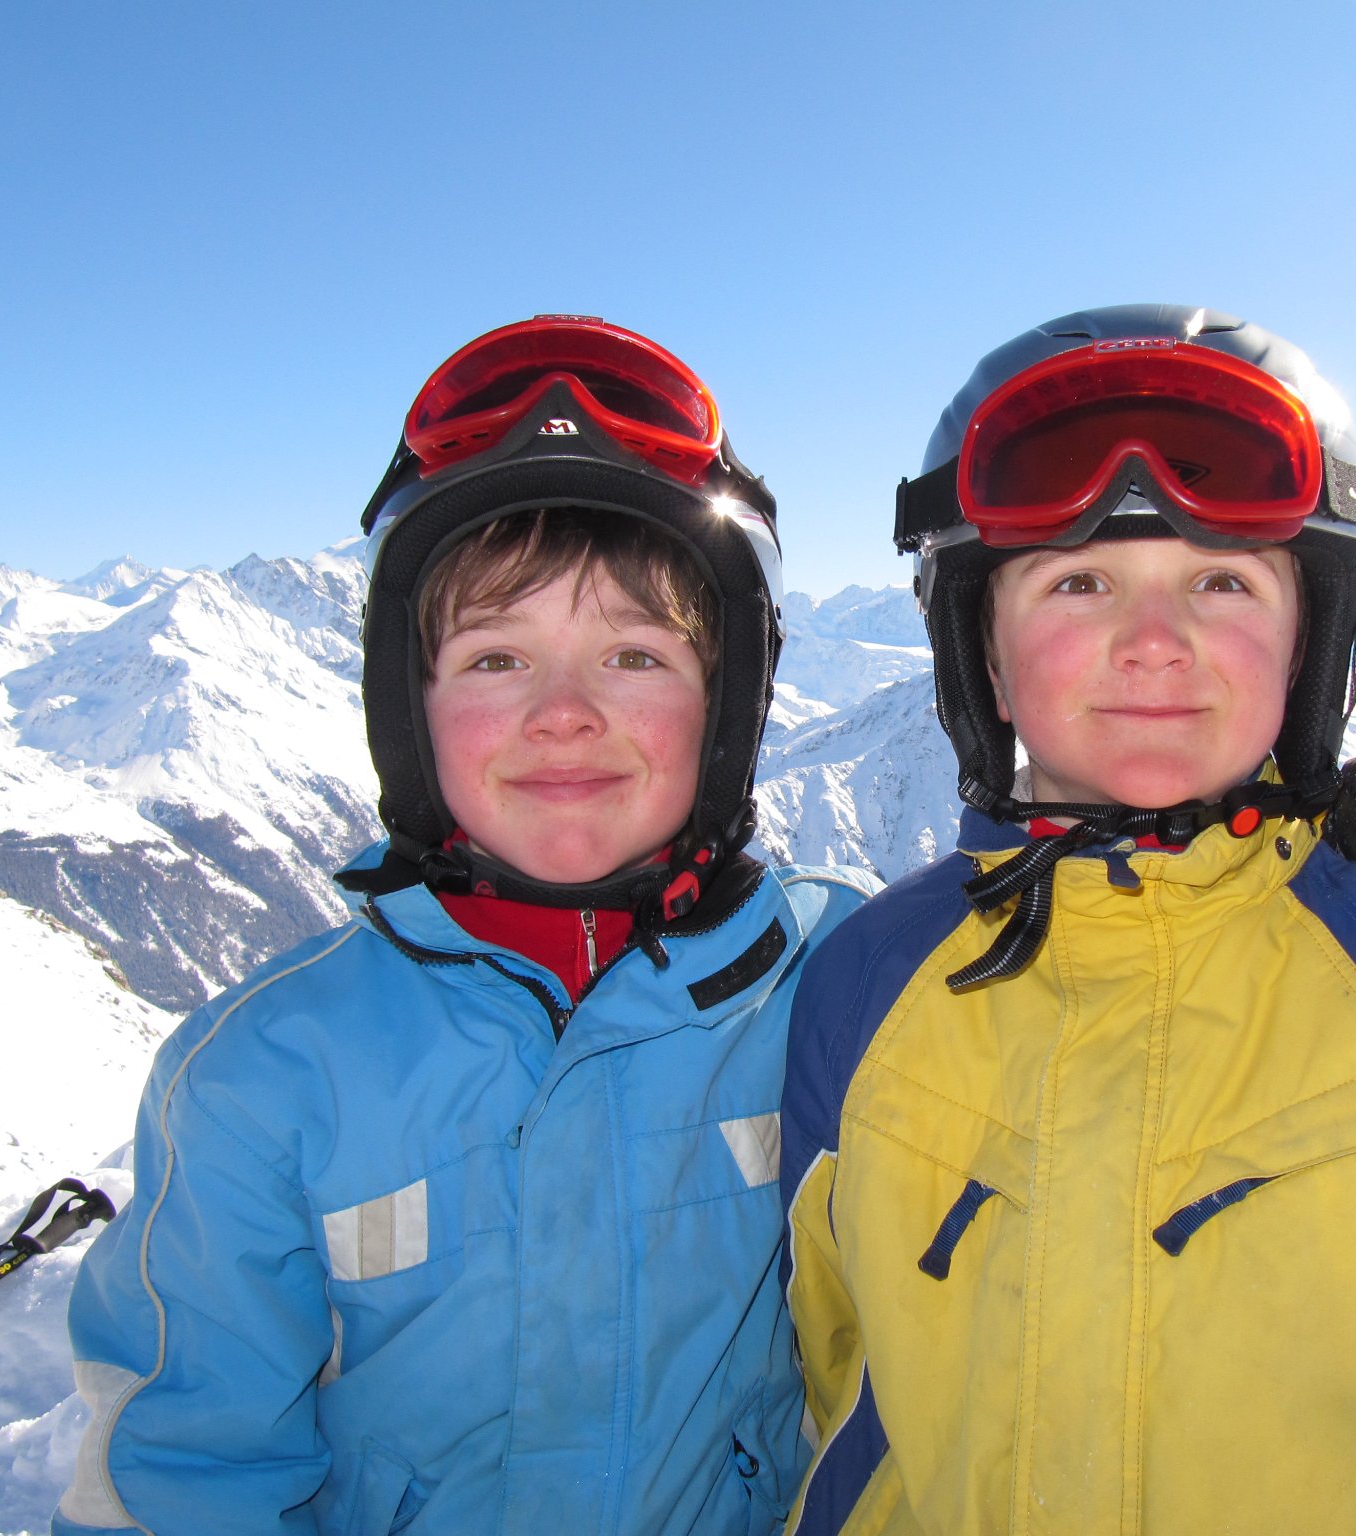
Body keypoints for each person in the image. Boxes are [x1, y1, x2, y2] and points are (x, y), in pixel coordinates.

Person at [780, 305, 1356, 1534]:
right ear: (980, 651)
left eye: (1221, 581)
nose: (1154, 643)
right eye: (1078, 581)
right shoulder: (865, 985)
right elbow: (831, 1394)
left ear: (1309, 644)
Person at [56, 317, 873, 1535]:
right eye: (495, 660)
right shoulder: (263, 1076)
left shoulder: (837, 989)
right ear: (410, 706)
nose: (564, 713)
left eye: (634, 656)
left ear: (727, 704)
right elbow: (189, 1475)